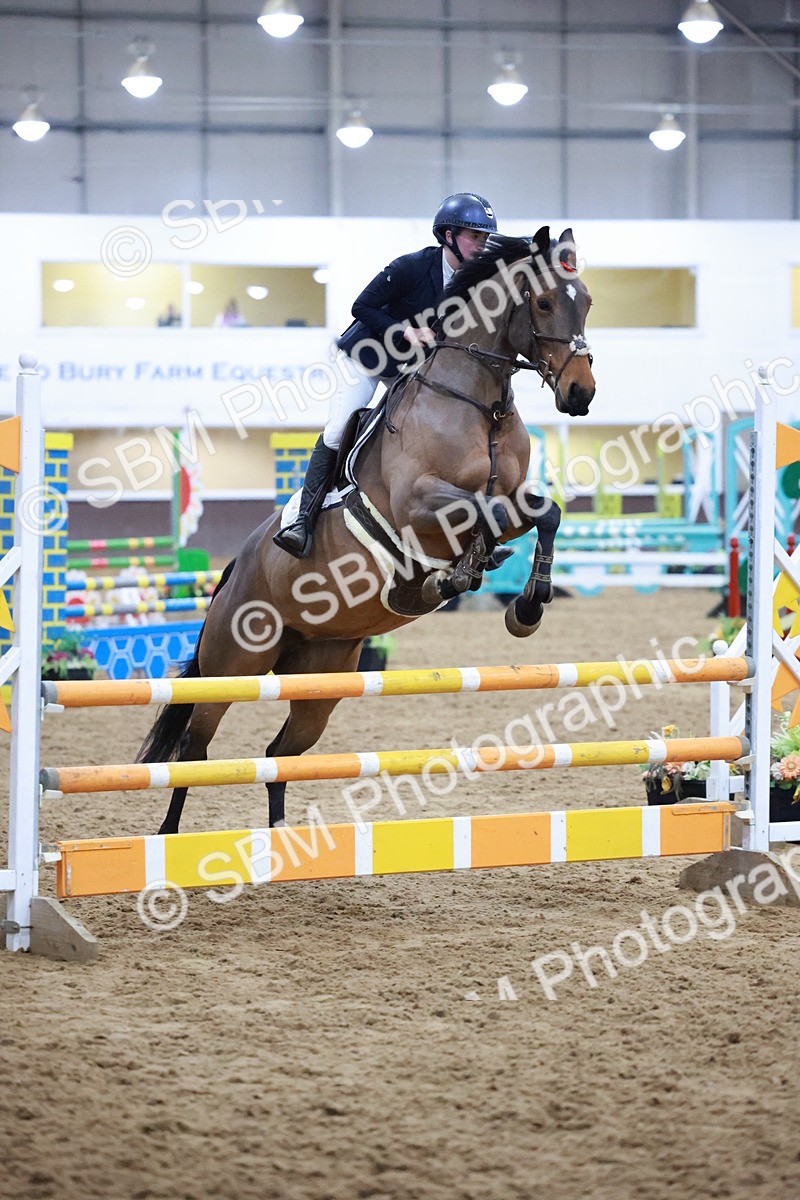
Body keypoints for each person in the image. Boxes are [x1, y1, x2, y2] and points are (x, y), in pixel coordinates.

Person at [274, 192, 498, 558]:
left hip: (411, 368)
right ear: (448, 236)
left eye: (485, 238)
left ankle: (473, 537)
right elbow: (361, 306)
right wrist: (404, 332)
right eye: (475, 236)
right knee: (339, 427)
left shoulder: (472, 284)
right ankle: (301, 519)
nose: (481, 244)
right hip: (366, 359)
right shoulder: (411, 267)